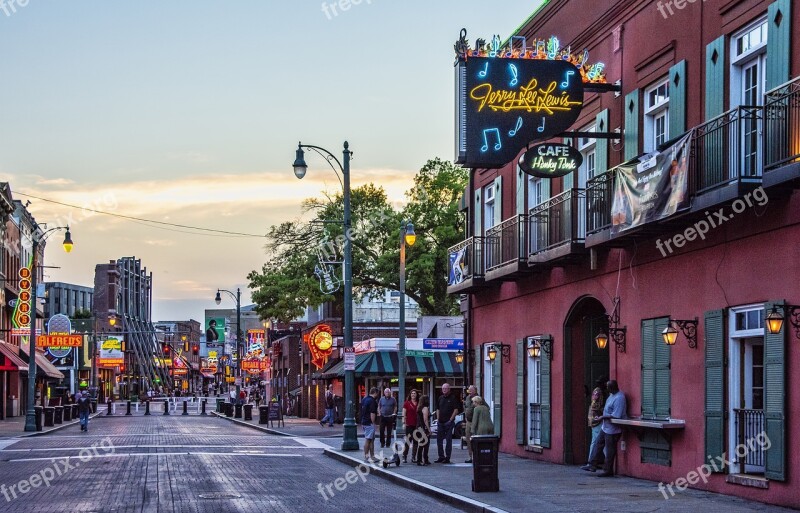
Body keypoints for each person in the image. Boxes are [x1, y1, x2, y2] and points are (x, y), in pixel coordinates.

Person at [592, 380, 627, 477]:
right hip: (606, 426)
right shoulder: (611, 396)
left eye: (608, 387)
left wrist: (603, 417)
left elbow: (617, 415)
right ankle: (592, 464)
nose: (607, 389)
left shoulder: (620, 398)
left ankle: (608, 470)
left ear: (612, 387)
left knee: (610, 449)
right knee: (598, 443)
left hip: (613, 429)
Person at [581, 379, 607, 472]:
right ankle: (593, 462)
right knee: (599, 441)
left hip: (595, 419)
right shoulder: (598, 391)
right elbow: (595, 406)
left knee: (597, 441)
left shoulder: (599, 391)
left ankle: (593, 462)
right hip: (597, 420)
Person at [435, 383, 460, 464]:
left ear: (449, 389)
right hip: (440, 422)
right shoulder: (440, 398)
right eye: (443, 388)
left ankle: (447, 457)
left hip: (449, 422)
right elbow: (437, 409)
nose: (444, 390)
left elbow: (456, 410)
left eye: (445, 388)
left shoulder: (453, 398)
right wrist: (438, 419)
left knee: (448, 440)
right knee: (439, 440)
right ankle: (441, 456)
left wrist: (450, 420)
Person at [361, 387, 379, 462]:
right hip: (369, 422)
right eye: (377, 393)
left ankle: (372, 456)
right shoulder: (373, 401)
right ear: (375, 393)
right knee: (368, 439)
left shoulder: (364, 399)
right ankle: (367, 456)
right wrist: (373, 422)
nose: (377, 395)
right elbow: (372, 413)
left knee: (371, 439)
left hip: (364, 421)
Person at [402, 389, 419, 463]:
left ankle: (413, 457)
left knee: (416, 441)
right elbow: (404, 413)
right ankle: (404, 456)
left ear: (416, 395)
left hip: (417, 425)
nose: (413, 395)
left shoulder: (419, 403)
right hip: (409, 424)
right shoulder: (407, 403)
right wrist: (403, 423)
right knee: (408, 441)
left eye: (414, 393)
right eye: (412, 393)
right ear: (410, 395)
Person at [414, 395, 432, 466]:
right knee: (425, 445)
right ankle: (423, 459)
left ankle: (420, 459)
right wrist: (429, 429)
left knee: (421, 444)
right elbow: (425, 420)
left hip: (418, 427)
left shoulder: (419, 408)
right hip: (423, 428)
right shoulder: (425, 408)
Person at [463, 385, 477, 463]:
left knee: (475, 439)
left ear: (475, 391)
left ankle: (477, 456)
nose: (469, 392)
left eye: (471, 390)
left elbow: (486, 408)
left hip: (475, 421)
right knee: (468, 439)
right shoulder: (467, 398)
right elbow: (465, 407)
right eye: (469, 390)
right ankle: (470, 456)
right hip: (468, 421)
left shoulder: (479, 398)